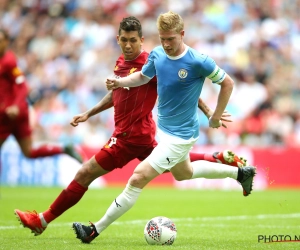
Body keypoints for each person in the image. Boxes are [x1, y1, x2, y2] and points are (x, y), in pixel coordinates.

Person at [14, 16, 247, 237]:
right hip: (143, 135)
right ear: (117, 39)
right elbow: (117, 93)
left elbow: (180, 88)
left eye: (133, 40)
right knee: (179, 170)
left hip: (129, 137)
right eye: (124, 40)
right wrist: (89, 112)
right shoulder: (121, 62)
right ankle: (216, 157)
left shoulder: (152, 61)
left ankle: (43, 220)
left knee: (85, 173)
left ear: (141, 40)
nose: (128, 45)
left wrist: (209, 113)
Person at [71, 12, 256, 244]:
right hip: (164, 130)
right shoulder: (157, 55)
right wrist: (119, 82)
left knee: (137, 178)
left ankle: (94, 230)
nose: (166, 44)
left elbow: (227, 83)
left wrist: (215, 115)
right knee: (183, 174)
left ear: (182, 34)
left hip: (181, 137)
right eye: (162, 39)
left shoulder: (198, 61)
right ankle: (240, 173)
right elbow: (141, 77)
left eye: (171, 39)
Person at [0, 29, 82, 163]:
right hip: (11, 113)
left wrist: (15, 105)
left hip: (12, 114)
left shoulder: (8, 61)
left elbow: (22, 85)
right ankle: (63, 149)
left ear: (6, 42)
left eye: (1, 41)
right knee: (29, 152)